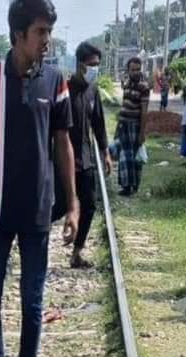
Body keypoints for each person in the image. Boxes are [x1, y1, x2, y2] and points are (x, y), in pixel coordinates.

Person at [0, 0, 79, 357]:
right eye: (40, 32)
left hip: (37, 210)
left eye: (49, 32)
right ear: (18, 35)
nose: (47, 40)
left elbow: (63, 143)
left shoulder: (55, 80)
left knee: (32, 298)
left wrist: (73, 203)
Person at [68, 41, 111, 270]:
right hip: (64, 161)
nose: (95, 69)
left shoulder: (93, 91)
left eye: (97, 65)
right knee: (56, 207)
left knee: (90, 204)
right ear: (80, 64)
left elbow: (99, 124)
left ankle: (76, 253)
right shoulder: (64, 90)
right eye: (91, 64)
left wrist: (105, 152)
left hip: (86, 159)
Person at [115, 56, 150, 197]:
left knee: (134, 158)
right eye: (133, 70)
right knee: (124, 157)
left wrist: (142, 133)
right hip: (123, 125)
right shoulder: (127, 83)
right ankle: (126, 186)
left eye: (138, 69)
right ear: (128, 70)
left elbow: (144, 111)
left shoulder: (144, 87)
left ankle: (133, 187)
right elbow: (124, 105)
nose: (136, 72)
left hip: (134, 126)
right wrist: (118, 126)